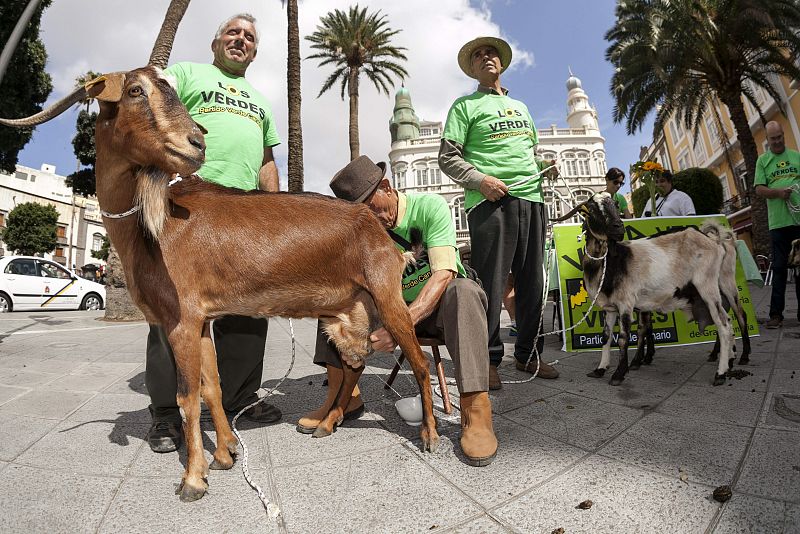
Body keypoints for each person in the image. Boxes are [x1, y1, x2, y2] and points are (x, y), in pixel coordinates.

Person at [297, 156, 498, 467]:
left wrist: (396, 327)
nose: (373, 218)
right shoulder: (362, 229)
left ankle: (476, 411)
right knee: (334, 303)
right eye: (361, 213)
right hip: (393, 310)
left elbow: (443, 273)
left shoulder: (428, 206)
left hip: (443, 310)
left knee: (464, 290)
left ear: (387, 186)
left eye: (373, 206)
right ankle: (342, 399)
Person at [145, 13, 283, 453]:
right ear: (215, 42)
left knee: (250, 307)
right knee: (175, 310)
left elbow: (266, 161)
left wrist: (274, 209)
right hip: (187, 200)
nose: (240, 40)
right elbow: (152, 107)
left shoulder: (260, 101)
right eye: (233, 32)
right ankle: (167, 414)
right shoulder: (188, 73)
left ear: (255, 52)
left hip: (243, 212)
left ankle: (239, 398)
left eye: (248, 37)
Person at [439, 36, 558, 390]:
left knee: (532, 284)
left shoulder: (521, 107)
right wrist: (480, 180)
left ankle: (527, 354)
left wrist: (543, 165)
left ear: (501, 63)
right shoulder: (464, 106)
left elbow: (526, 152)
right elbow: (447, 158)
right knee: (489, 284)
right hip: (489, 203)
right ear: (472, 68)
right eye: (478, 55)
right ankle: (488, 359)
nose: (485, 57)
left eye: (490, 52)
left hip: (532, 200)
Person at [755, 120, 800, 329]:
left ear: (783, 135)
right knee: (780, 269)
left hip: (798, 221)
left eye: (779, 137)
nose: (777, 141)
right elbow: (759, 189)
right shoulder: (763, 161)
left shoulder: (796, 156)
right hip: (778, 224)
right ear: (768, 140)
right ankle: (775, 315)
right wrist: (779, 193)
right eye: (773, 139)